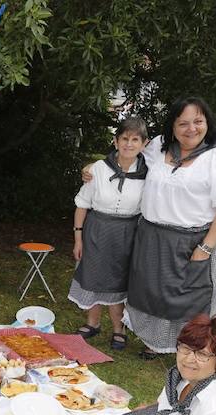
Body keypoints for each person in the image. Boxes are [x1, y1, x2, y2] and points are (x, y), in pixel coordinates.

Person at [82, 97, 216, 358]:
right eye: (183, 123)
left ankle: (191, 348)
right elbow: (126, 153)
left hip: (194, 239)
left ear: (208, 123)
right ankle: (154, 342)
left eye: (198, 122)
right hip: (152, 235)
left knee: (188, 299)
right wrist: (94, 167)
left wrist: (206, 246)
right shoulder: (158, 147)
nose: (191, 129)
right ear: (173, 126)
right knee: (152, 293)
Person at [69, 116, 149, 350]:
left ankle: (118, 328)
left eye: (135, 139)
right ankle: (93, 323)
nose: (129, 144)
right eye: (124, 138)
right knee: (92, 276)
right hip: (97, 229)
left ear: (144, 144)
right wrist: (77, 238)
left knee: (119, 280)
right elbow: (82, 204)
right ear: (115, 141)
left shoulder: (149, 174)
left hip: (127, 233)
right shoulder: (98, 170)